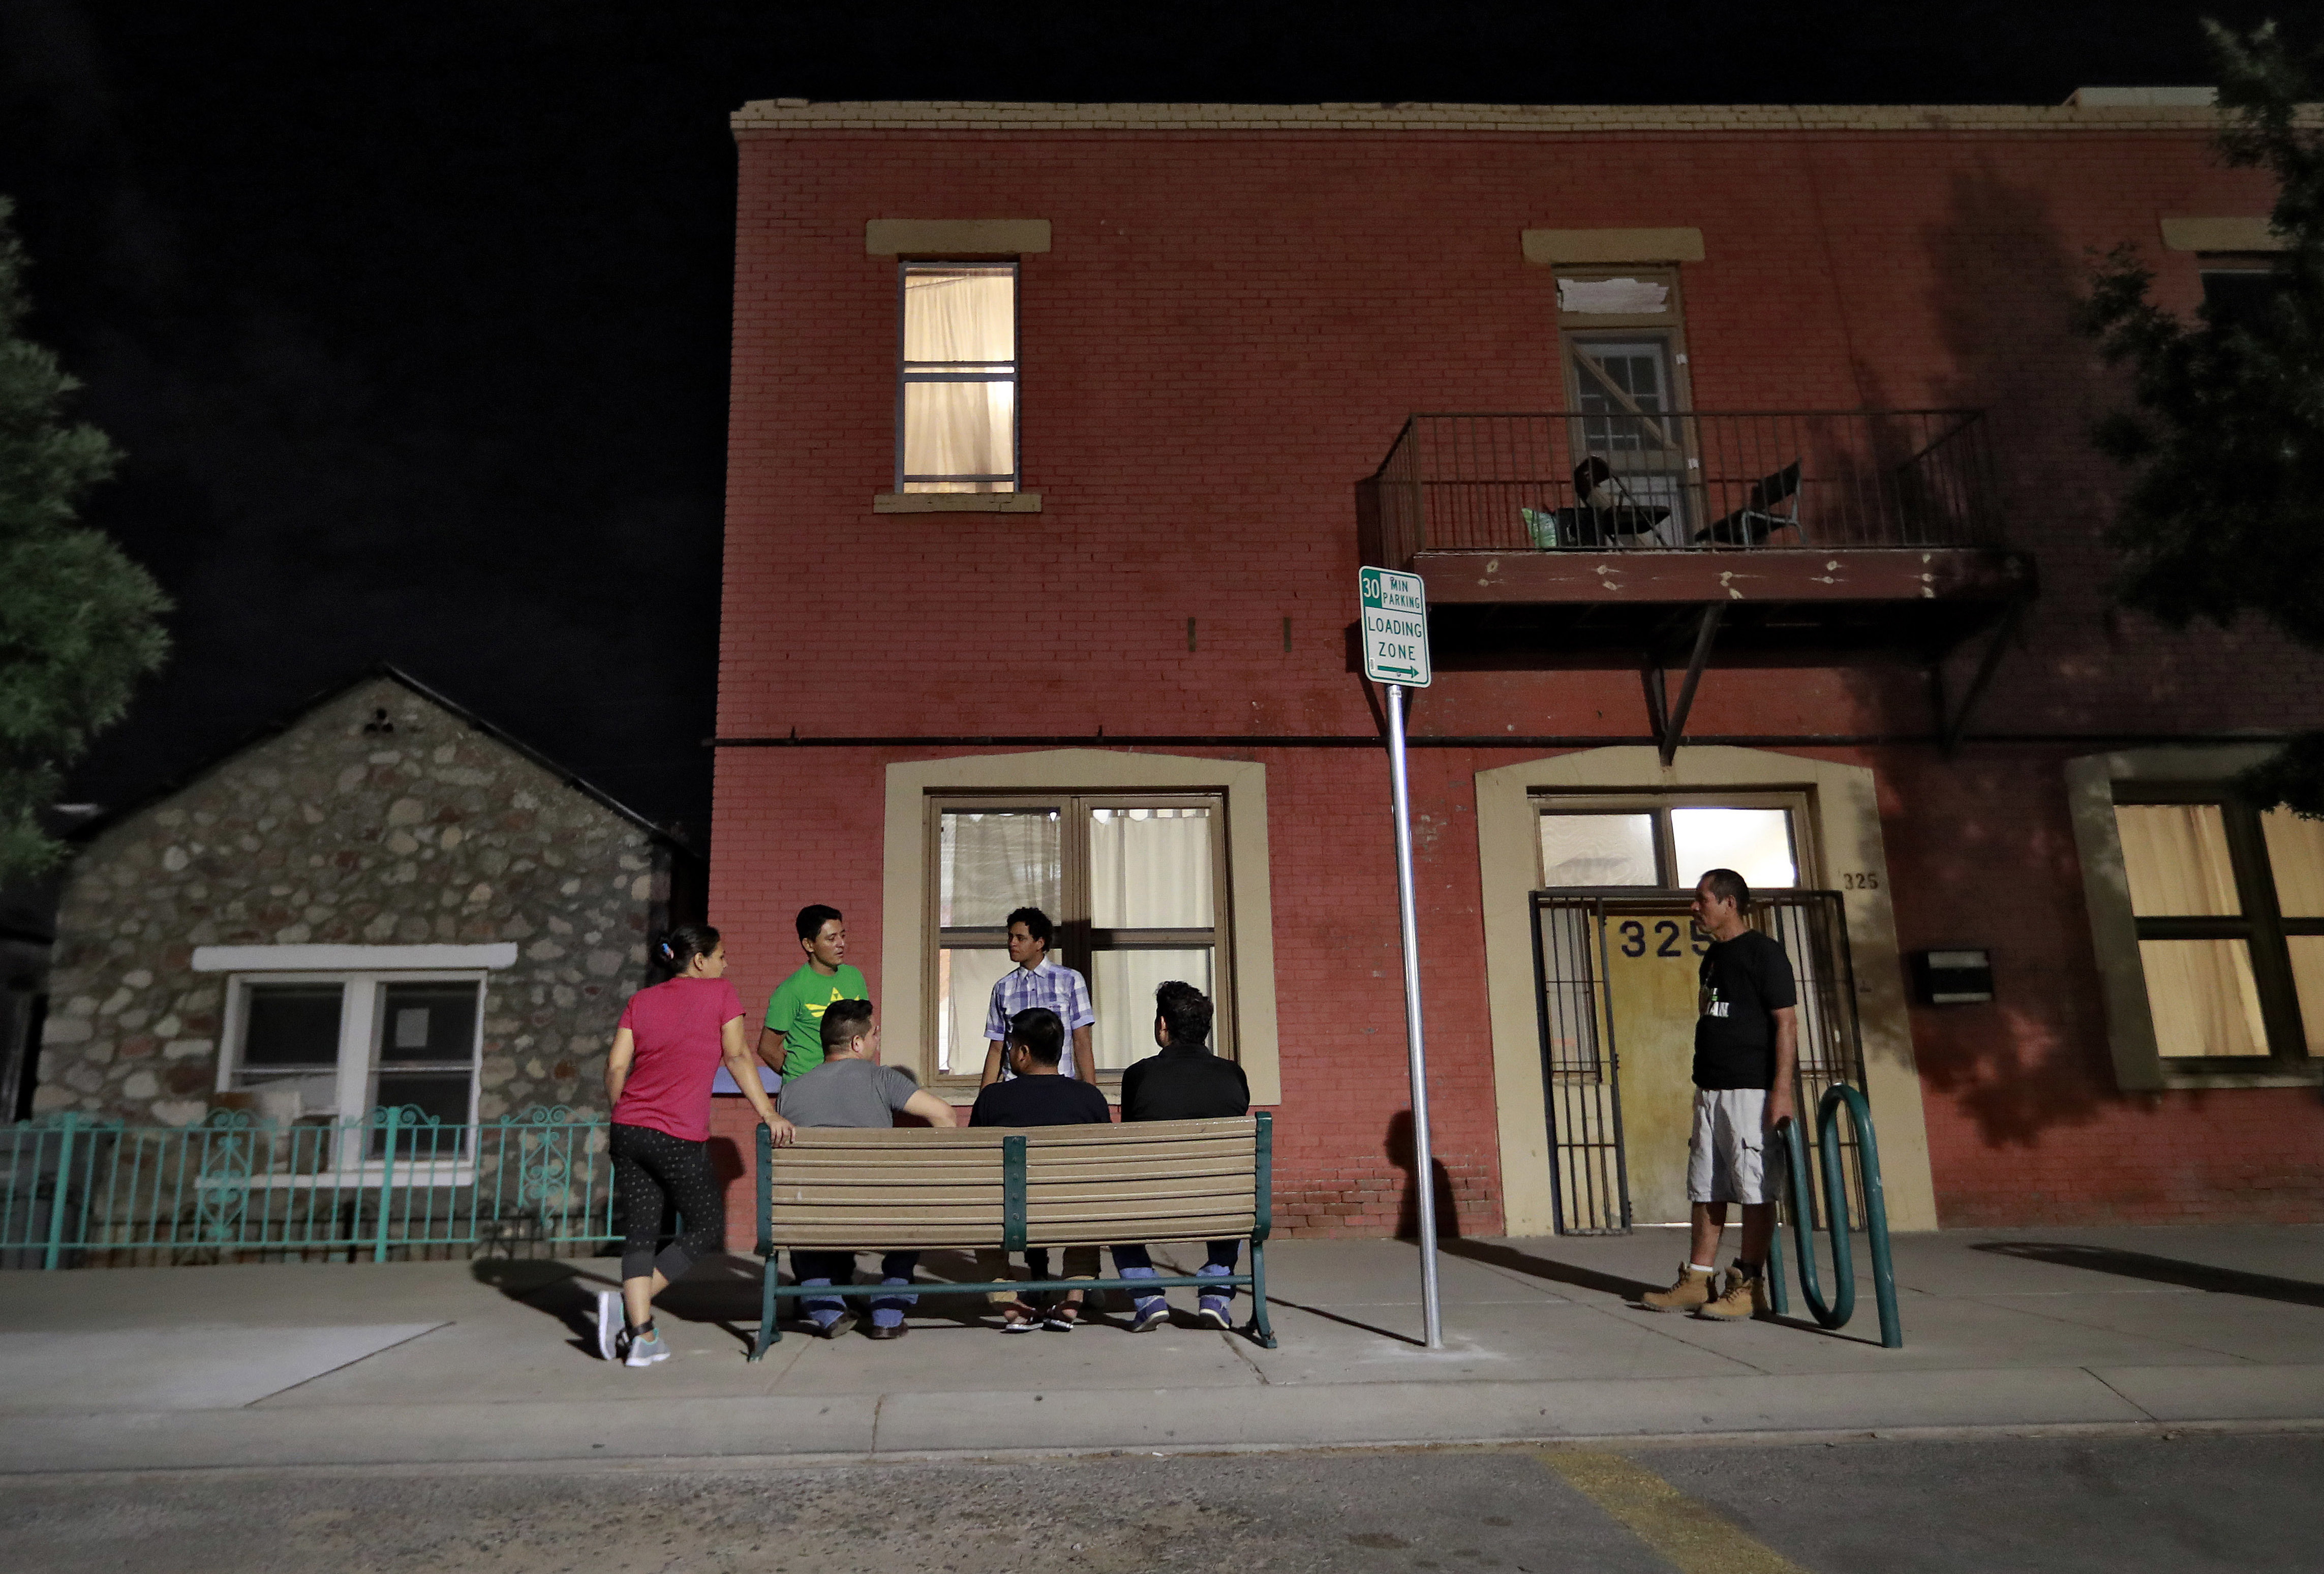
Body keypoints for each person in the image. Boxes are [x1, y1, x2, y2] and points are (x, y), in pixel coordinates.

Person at [598, 924, 796, 1367]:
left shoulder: (641, 1001)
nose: (727, 963)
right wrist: (769, 1112)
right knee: (706, 1226)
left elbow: (615, 1065)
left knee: (642, 1232)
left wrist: (625, 1113)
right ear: (701, 961)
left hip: (627, 1128)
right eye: (722, 955)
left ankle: (642, 1333)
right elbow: (739, 1055)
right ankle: (634, 1310)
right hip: (676, 1134)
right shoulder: (719, 993)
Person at [1642, 869, 1798, 1321]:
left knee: (1754, 1188)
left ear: (1729, 903)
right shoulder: (1712, 958)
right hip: (1710, 1089)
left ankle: (1748, 1285)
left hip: (1752, 1091)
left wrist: (1781, 1092)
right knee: (1706, 1185)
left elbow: (1786, 1023)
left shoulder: (1764, 954)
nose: (1695, 907)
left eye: (1702, 899)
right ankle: (1697, 1280)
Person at [777, 998, 959, 1339]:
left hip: (810, 1216)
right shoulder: (884, 1079)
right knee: (911, 1209)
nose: (877, 1040)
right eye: (875, 1034)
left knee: (802, 1216)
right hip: (876, 1214)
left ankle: (826, 1306)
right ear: (857, 1043)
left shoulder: (790, 1092)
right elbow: (946, 1116)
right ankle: (888, 1313)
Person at [1111, 980, 1250, 1331]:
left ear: (1163, 1025)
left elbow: (1132, 1138)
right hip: (1222, 1204)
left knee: (1110, 1209)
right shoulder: (1233, 1074)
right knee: (1226, 1183)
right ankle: (1216, 1294)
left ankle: (1148, 1297)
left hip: (1153, 1202)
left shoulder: (1138, 1075)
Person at [967, 1007, 1113, 1331]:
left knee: (984, 1208)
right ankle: (1073, 1297)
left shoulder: (992, 1099)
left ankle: (1009, 1304)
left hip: (1010, 1214)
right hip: (1073, 1212)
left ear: (1024, 1052)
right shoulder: (1090, 1098)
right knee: (1088, 1201)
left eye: (1010, 1047)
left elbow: (976, 1165)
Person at [979, 906, 1097, 1087]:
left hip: (1059, 1087)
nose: (1012, 943)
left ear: (1040, 943)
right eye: (1011, 937)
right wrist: (984, 1101)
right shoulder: (1003, 988)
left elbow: (1082, 1041)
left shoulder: (1070, 980)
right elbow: (997, 1048)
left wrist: (1091, 1094)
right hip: (1016, 1089)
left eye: (1021, 938)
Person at [759, 904, 870, 1080]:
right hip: (808, 1090)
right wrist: (800, 1078)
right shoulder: (791, 989)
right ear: (809, 945)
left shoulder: (854, 976)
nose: (841, 944)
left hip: (850, 1082)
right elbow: (768, 1048)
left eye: (843, 936)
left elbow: (867, 1028)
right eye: (831, 938)